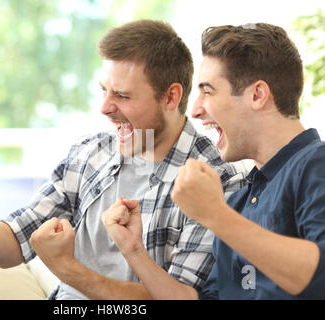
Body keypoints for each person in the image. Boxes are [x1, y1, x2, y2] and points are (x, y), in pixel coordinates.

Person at [0, 20, 246, 300]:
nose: (104, 107)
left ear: (171, 97)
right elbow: (15, 241)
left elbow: (178, 295)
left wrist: (67, 269)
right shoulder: (91, 154)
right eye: (103, 90)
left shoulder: (215, 179)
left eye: (122, 95)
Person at [103, 22, 325, 299]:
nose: (194, 110)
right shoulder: (239, 200)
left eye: (208, 91)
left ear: (257, 95)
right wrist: (134, 251)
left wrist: (216, 215)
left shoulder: (316, 165)